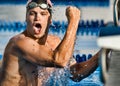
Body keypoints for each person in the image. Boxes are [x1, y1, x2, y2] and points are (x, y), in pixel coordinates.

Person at [0, 0, 100, 86]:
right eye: (32, 13)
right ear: (26, 19)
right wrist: (74, 21)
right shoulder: (19, 43)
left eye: (43, 14)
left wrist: (103, 53)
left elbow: (76, 73)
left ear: (50, 21)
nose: (37, 17)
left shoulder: (54, 44)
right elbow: (60, 61)